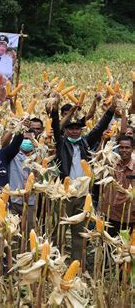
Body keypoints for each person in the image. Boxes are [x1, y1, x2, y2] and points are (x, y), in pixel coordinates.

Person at [50, 95, 115, 261]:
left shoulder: (85, 142)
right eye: (71, 128)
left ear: (81, 130)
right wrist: (55, 109)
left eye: (77, 128)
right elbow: (56, 127)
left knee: (79, 234)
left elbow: (99, 128)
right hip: (64, 194)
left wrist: (111, 110)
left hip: (82, 195)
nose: (74, 131)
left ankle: (77, 264)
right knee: (59, 231)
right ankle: (55, 263)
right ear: (66, 131)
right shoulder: (61, 143)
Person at [101, 135, 135, 236]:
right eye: (121, 147)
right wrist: (103, 140)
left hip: (127, 218)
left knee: (123, 249)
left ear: (132, 149)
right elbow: (96, 161)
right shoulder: (111, 164)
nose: (124, 150)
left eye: (127, 147)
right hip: (108, 215)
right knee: (107, 248)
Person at [9, 131, 37, 231]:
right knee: (13, 231)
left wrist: (33, 140)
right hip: (14, 201)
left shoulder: (37, 157)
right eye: (24, 139)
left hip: (30, 201)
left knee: (29, 231)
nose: (26, 141)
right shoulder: (12, 156)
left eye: (29, 139)